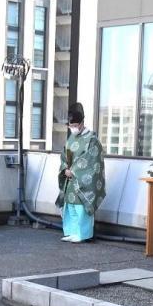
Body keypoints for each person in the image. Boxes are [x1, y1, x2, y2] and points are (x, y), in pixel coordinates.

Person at [56, 102, 105, 243]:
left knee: (81, 207)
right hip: (69, 178)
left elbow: (92, 161)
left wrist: (75, 172)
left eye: (75, 125)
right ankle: (71, 231)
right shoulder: (71, 138)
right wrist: (65, 169)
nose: (73, 128)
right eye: (71, 126)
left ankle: (83, 234)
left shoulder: (92, 140)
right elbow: (64, 155)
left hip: (82, 180)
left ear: (82, 123)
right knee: (70, 206)